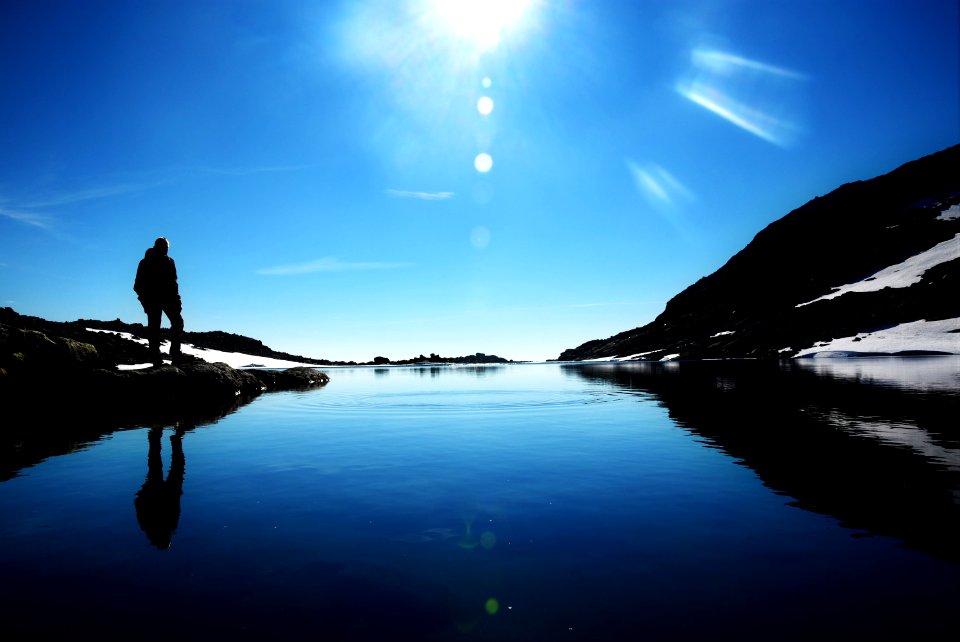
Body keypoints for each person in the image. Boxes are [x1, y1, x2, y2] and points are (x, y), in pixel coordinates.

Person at [134, 237, 184, 367]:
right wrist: (144, 300)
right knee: (154, 327)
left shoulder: (169, 262)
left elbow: (174, 283)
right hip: (152, 300)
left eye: (167, 248)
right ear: (157, 246)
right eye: (165, 247)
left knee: (177, 322)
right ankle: (155, 357)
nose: (167, 250)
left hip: (169, 300)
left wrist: (177, 301)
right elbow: (137, 285)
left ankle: (175, 354)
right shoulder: (145, 262)